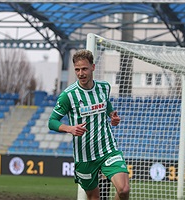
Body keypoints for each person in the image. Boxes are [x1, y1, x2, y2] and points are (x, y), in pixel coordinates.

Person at [48, 49, 130, 200]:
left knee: (124, 189)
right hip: (84, 157)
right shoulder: (68, 95)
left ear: (93, 67)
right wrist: (70, 129)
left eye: (84, 68)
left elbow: (106, 104)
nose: (80, 73)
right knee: (93, 197)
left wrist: (112, 115)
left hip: (108, 149)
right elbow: (52, 122)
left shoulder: (104, 87)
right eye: (77, 70)